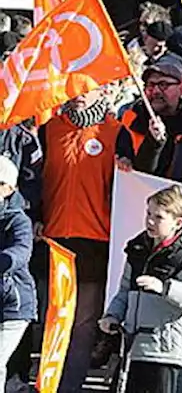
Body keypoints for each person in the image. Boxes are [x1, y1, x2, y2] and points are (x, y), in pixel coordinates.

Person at [35, 88, 123, 392]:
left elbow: (133, 182)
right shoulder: (50, 129)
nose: (79, 94)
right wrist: (36, 215)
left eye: (87, 88)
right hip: (54, 238)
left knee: (83, 325)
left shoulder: (115, 131)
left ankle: (69, 387)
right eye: (74, 86)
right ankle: (46, 384)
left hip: (96, 241)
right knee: (54, 319)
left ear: (104, 90)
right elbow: (35, 178)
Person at [100, 186, 182, 393]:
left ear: (178, 222)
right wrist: (113, 315)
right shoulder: (138, 248)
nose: (150, 221)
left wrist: (165, 287)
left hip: (165, 352)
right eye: (148, 214)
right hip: (133, 347)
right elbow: (125, 290)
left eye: (159, 217)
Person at [117, 55, 182, 173]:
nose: (156, 91)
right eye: (151, 85)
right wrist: (123, 158)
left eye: (163, 85)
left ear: (181, 88)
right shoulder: (129, 118)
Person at [0, 157, 35, 388]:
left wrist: (5, 260)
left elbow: (21, 251)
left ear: (9, 188)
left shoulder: (18, 220)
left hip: (14, 304)